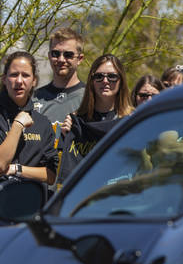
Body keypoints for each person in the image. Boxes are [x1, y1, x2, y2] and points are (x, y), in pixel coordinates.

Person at [0, 51, 58, 185]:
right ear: (4, 79)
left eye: (25, 75)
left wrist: (17, 169)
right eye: (14, 75)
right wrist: (17, 126)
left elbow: (51, 175)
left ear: (34, 81)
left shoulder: (43, 123)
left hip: (34, 202)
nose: (19, 81)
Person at [57, 54, 133, 186]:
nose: (105, 81)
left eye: (112, 76)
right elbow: (61, 169)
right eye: (99, 76)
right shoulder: (76, 122)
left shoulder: (132, 120)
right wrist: (65, 136)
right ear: (92, 81)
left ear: (121, 81)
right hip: (85, 198)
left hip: (121, 196)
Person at [34, 27, 86, 126]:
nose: (61, 59)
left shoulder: (90, 98)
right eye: (55, 53)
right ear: (49, 56)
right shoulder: (34, 98)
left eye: (68, 54)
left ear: (80, 59)